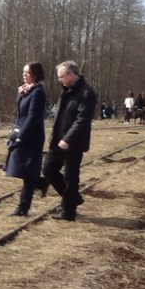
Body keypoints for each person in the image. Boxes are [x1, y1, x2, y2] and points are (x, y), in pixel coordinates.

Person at [42, 60, 96, 221]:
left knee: (70, 177)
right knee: (48, 170)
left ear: (71, 74)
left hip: (73, 143)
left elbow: (82, 120)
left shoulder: (87, 93)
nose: (59, 80)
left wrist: (68, 139)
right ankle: (73, 198)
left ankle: (68, 211)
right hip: (57, 141)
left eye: (61, 77)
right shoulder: (66, 91)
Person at [4, 62, 48, 216]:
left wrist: (21, 137)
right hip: (20, 131)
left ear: (35, 74)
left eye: (27, 72)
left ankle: (23, 208)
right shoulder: (24, 90)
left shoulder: (38, 92)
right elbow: (20, 114)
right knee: (20, 169)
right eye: (23, 72)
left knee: (28, 171)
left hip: (32, 136)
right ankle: (41, 183)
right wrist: (14, 133)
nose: (24, 75)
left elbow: (33, 117)